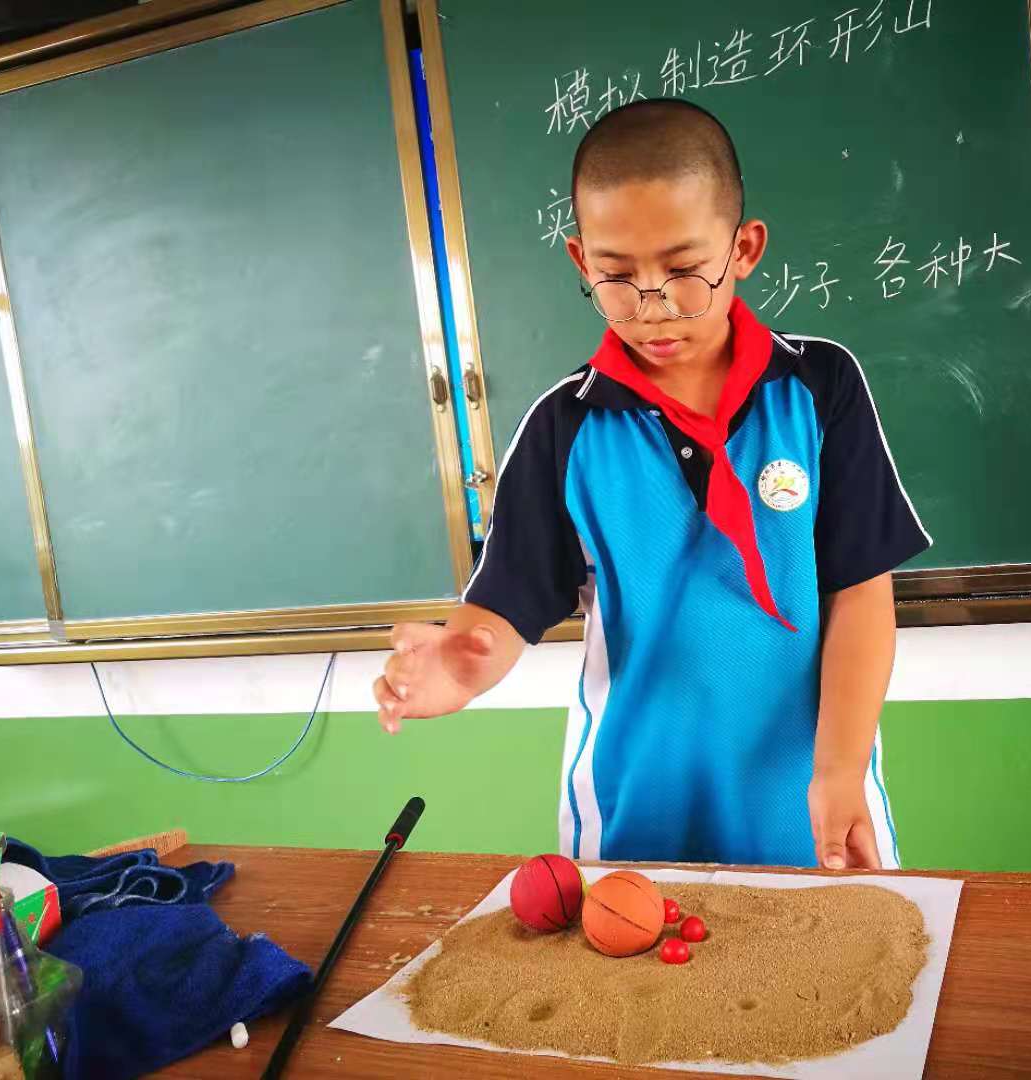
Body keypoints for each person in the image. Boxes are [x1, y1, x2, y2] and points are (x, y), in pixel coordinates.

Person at [374, 99, 931, 870]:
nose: (653, 305)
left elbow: (860, 596)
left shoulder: (819, 387)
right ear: (581, 262)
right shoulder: (565, 427)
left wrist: (839, 774)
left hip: (814, 809)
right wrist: (461, 666)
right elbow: (500, 610)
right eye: (616, 276)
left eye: (683, 270)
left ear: (744, 248)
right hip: (633, 819)